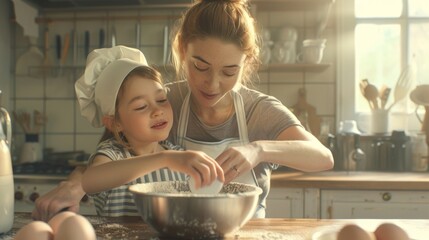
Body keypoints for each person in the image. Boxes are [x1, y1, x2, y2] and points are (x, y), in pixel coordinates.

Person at [32, 0, 333, 221]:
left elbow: (322, 157)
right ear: (181, 50)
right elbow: (112, 152)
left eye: (229, 72)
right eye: (200, 66)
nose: (212, 84)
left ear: (246, 64)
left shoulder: (259, 110)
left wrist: (258, 149)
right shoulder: (165, 99)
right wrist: (74, 184)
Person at [77, 45, 223, 216]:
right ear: (115, 122)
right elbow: (89, 181)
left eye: (161, 99)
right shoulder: (113, 154)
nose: (157, 111)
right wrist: (164, 159)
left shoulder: (176, 154)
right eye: (141, 106)